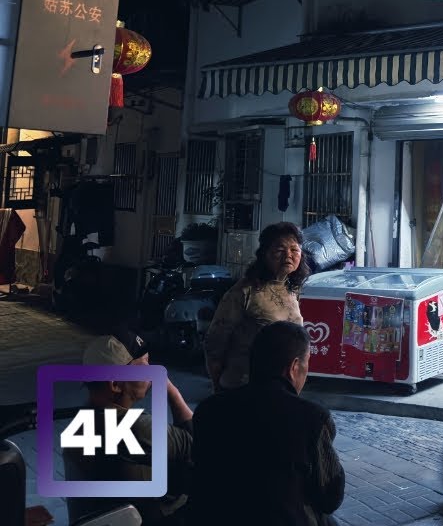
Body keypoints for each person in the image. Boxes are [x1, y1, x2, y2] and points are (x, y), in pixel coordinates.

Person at [189, 320, 345, 526]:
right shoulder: (312, 418)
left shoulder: (209, 410)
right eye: (307, 363)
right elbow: (330, 497)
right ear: (294, 367)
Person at [62, 328, 196, 526]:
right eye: (144, 365)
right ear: (116, 383)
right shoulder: (133, 428)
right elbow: (196, 442)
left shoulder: (82, 423)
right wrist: (170, 388)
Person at [204, 222, 310, 393]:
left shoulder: (292, 289)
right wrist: (218, 388)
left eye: (294, 250)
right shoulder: (244, 292)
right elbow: (215, 342)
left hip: (280, 389)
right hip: (243, 386)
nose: (288, 255)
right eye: (280, 250)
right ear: (264, 254)